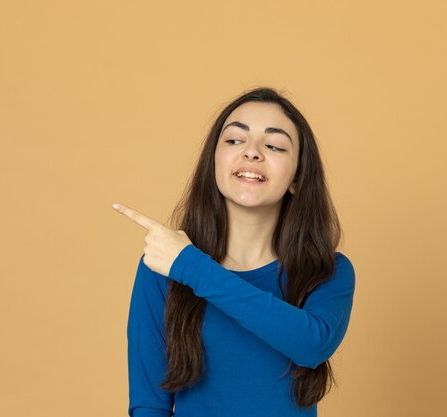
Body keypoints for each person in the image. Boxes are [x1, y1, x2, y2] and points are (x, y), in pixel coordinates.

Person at [112, 87, 356, 417]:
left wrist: (192, 268)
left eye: (274, 145)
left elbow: (311, 344)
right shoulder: (162, 267)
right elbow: (148, 405)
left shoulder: (328, 271)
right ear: (214, 162)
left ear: (297, 177)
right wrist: (183, 265)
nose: (252, 153)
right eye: (234, 140)